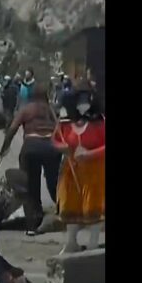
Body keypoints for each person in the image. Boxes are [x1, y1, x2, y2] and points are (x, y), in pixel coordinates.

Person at [0, 86, 61, 236]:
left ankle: (33, 223)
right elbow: (59, 128)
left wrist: (4, 147)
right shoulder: (50, 110)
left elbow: (13, 128)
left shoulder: (26, 109)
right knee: (54, 183)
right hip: (51, 148)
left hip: (31, 147)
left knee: (30, 185)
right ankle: (65, 212)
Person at [52, 81, 105, 254]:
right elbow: (55, 140)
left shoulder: (100, 122)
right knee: (70, 204)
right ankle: (71, 242)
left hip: (94, 172)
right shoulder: (65, 123)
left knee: (94, 207)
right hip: (71, 170)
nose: (83, 104)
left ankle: (93, 243)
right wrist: (63, 148)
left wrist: (90, 154)